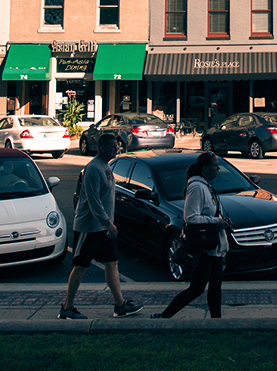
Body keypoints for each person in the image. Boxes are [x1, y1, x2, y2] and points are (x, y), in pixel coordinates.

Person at [59, 132, 143, 319]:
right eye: (113, 146)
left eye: (117, 146)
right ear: (102, 147)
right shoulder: (94, 168)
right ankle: (67, 308)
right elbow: (93, 200)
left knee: (112, 263)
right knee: (81, 265)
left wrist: (108, 224)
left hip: (105, 228)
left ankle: (119, 305)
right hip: (89, 227)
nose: (117, 149)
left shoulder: (106, 166)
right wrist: (107, 223)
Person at [155, 151, 229, 319]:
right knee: (197, 288)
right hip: (204, 247)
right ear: (204, 168)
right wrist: (216, 221)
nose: (218, 169)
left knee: (215, 286)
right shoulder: (196, 187)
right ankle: (165, 316)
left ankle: (216, 321)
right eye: (215, 165)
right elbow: (190, 217)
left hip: (214, 246)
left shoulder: (206, 185)